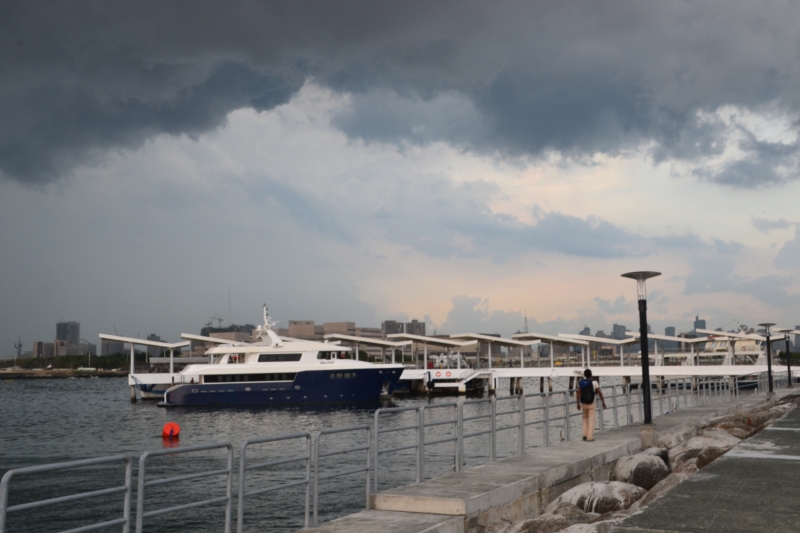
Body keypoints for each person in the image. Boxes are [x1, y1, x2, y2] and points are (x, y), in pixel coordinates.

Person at [576, 369, 606, 442]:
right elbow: (599, 393)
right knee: (591, 420)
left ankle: (584, 435)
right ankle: (589, 437)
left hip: (583, 403)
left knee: (585, 419)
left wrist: (577, 403)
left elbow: (578, 393)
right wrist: (603, 402)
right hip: (591, 403)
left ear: (585, 375)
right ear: (591, 375)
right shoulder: (594, 382)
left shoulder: (581, 382)